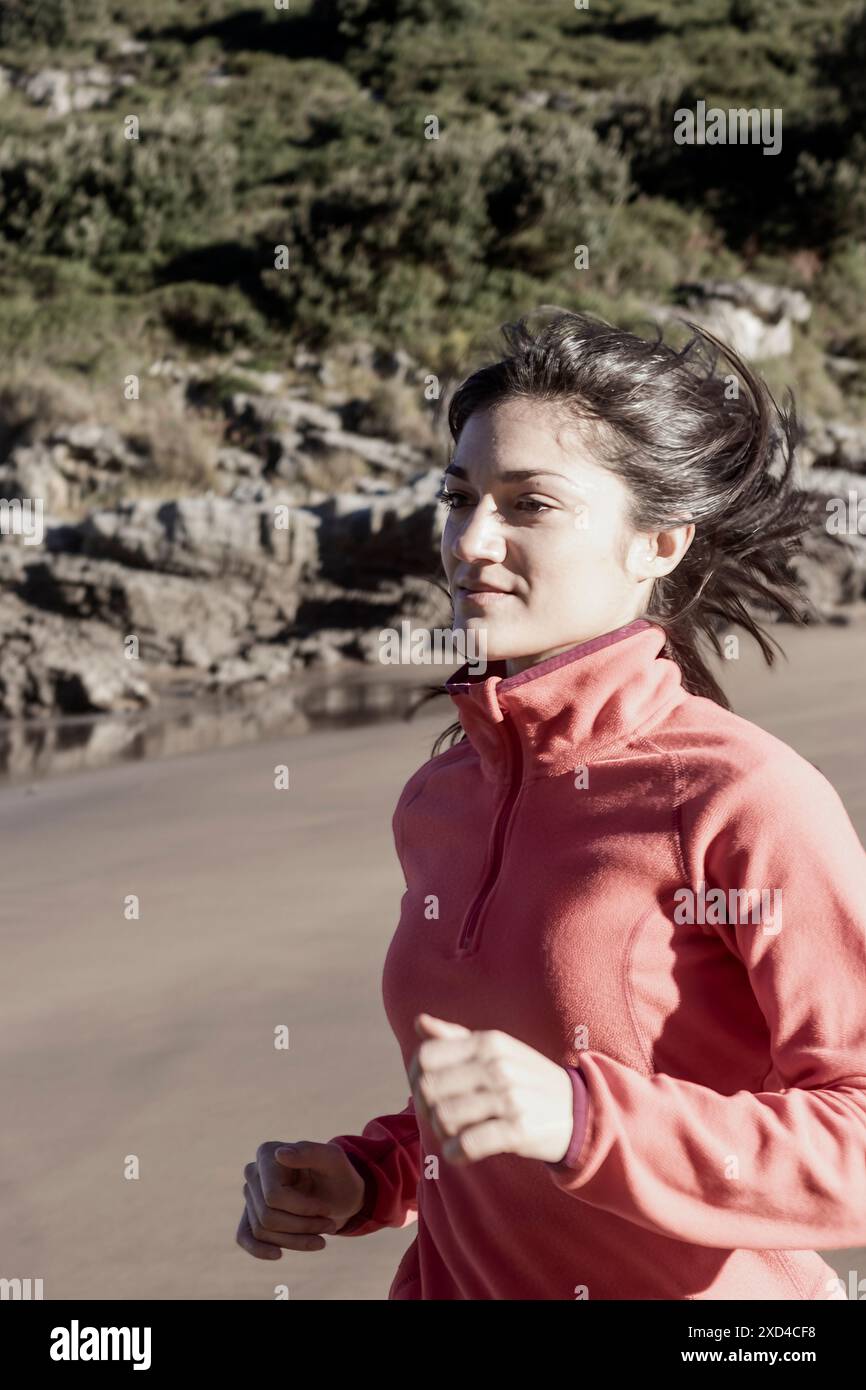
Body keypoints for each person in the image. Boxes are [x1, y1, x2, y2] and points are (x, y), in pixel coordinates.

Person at [236, 309, 866, 1299]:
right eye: (458, 498)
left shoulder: (739, 795)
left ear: (657, 541)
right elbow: (497, 1091)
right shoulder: (442, 796)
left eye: (528, 505)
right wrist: (372, 1172)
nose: (470, 541)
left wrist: (585, 1120)